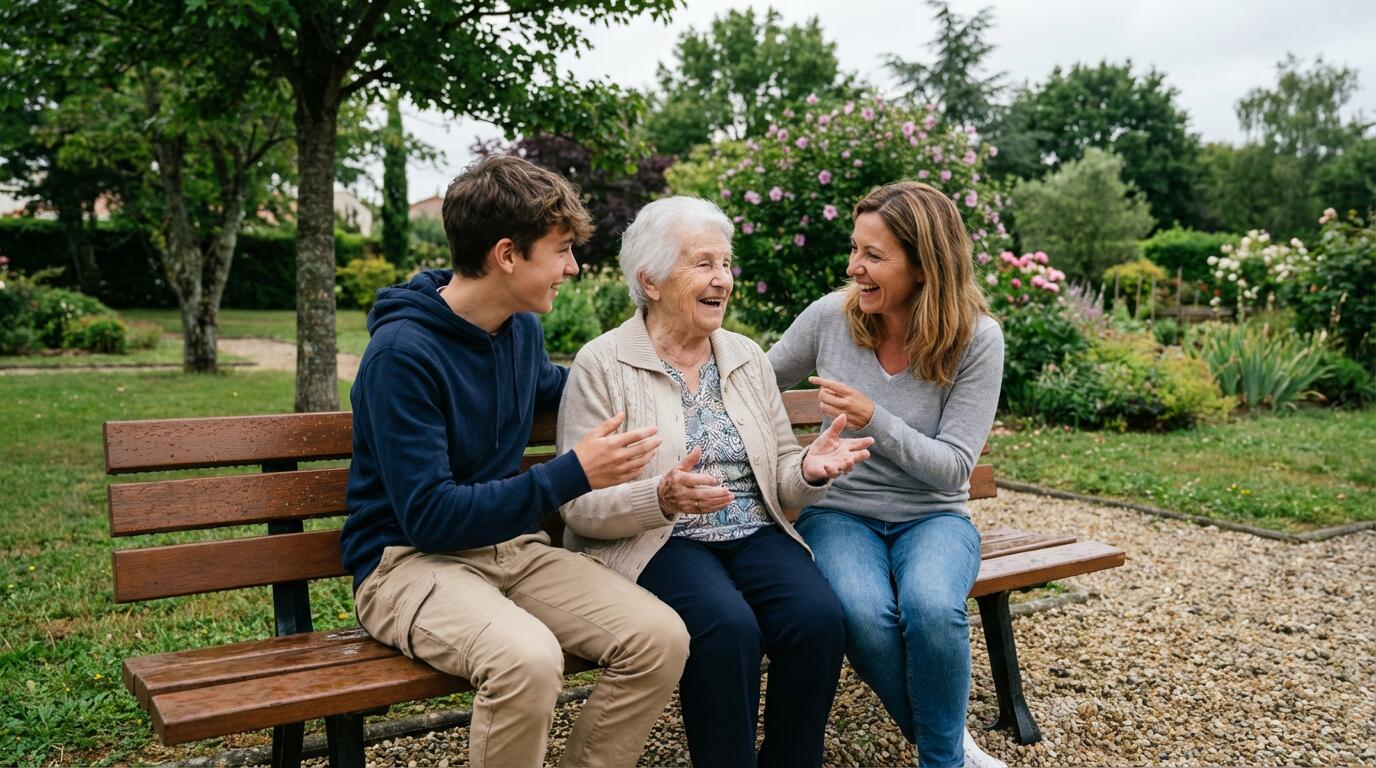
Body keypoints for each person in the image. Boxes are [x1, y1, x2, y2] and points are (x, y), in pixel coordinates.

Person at [340, 156, 689, 768]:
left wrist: (667, 377)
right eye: (560, 251)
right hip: (406, 563)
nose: (572, 268)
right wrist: (571, 473)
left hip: (511, 550)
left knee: (660, 639)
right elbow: (429, 518)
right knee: (526, 659)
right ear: (507, 254)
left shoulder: (518, 329)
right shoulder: (401, 356)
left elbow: (564, 387)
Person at [555, 196, 875, 768]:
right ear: (650, 281)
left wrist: (806, 470)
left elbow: (780, 471)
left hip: (753, 529)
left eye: (726, 264)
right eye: (703, 264)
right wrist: (659, 497)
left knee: (818, 619)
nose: (722, 280)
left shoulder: (745, 356)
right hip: (658, 539)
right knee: (727, 629)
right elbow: (577, 504)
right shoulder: (603, 364)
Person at [767, 181, 1008, 768]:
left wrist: (875, 418)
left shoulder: (977, 338)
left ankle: (942, 755)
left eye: (873, 256)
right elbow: (752, 379)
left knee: (932, 608)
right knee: (862, 616)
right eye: (855, 250)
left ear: (925, 265)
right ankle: (948, 751)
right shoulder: (831, 317)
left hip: (933, 517)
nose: (855, 268)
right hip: (840, 514)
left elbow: (952, 469)